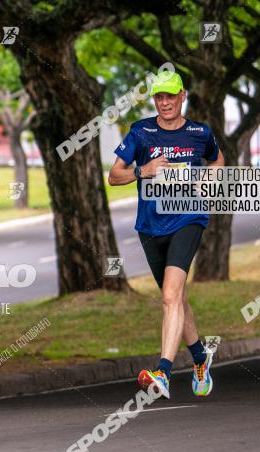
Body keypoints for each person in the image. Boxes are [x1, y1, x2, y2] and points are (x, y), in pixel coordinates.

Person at [108, 71, 224, 398]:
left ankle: (164, 371)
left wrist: (207, 182)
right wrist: (143, 170)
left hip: (189, 217)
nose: (165, 102)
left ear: (182, 95)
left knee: (170, 296)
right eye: (159, 97)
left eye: (170, 96)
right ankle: (201, 357)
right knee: (177, 299)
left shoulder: (199, 133)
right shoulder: (140, 132)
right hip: (150, 225)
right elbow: (114, 176)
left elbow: (217, 161)